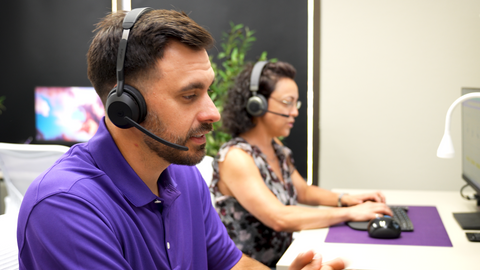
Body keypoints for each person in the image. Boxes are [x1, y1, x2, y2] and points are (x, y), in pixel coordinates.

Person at [16, 8, 345, 270]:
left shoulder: (184, 175)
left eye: (208, 91)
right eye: (190, 95)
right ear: (125, 107)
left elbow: (233, 264)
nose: (213, 113)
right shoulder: (65, 208)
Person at [210, 61, 393, 267]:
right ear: (257, 103)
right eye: (287, 102)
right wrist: (350, 213)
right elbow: (278, 218)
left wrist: (347, 199)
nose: (295, 112)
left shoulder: (276, 148)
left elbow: (304, 191)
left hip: (285, 259)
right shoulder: (236, 157)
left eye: (295, 104)